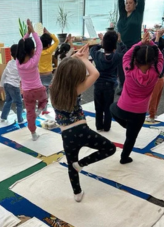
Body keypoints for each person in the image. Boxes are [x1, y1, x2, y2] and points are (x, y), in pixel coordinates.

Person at [50, 44, 116, 202]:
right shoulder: (76, 89)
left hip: (66, 134)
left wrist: (74, 57)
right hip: (82, 131)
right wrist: (84, 59)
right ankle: (82, 164)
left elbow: (62, 70)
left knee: (70, 163)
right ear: (75, 78)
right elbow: (95, 73)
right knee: (109, 148)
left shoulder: (53, 88)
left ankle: (77, 193)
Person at [110, 31, 163, 164]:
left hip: (122, 108)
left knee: (111, 107)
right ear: (153, 61)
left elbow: (127, 55)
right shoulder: (156, 72)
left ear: (135, 59)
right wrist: (151, 42)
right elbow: (161, 57)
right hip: (139, 113)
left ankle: (127, 125)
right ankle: (124, 158)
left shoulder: (129, 69)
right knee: (131, 137)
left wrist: (141, 43)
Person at [16, 19, 48, 141]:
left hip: (27, 92)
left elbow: (22, 44)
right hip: (39, 89)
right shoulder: (34, 61)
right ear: (31, 50)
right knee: (44, 100)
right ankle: (40, 110)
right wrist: (32, 31)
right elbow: (39, 44)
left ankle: (33, 134)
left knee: (29, 113)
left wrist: (27, 34)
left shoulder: (18, 63)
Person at [90, 31, 127, 131]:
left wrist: (102, 42)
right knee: (108, 107)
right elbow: (125, 51)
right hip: (110, 85)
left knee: (98, 107)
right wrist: (120, 42)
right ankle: (107, 127)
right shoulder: (117, 57)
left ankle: (99, 126)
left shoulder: (97, 55)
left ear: (104, 44)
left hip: (98, 84)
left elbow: (93, 49)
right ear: (114, 45)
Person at [116, 0, 145, 95]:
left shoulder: (138, 13)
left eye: (130, 3)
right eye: (126, 3)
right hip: (120, 45)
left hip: (133, 46)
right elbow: (120, 2)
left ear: (135, 5)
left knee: (131, 67)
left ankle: (132, 87)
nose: (128, 5)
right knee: (121, 67)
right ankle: (123, 86)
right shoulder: (123, 14)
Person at [0, 44, 25, 124]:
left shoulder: (9, 62)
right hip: (14, 86)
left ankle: (3, 117)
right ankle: (20, 120)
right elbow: (21, 76)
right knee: (19, 103)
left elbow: (4, 74)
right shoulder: (20, 64)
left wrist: (1, 85)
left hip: (6, 84)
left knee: (8, 101)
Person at [146, 30, 164, 122]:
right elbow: (156, 46)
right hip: (161, 79)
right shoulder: (163, 53)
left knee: (153, 99)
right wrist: (157, 36)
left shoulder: (158, 56)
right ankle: (153, 114)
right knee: (156, 99)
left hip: (157, 80)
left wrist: (158, 36)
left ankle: (151, 116)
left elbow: (155, 47)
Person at [39, 28, 59, 95]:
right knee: (46, 90)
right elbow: (57, 41)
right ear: (48, 45)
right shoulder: (49, 51)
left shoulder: (37, 52)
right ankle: (45, 102)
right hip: (48, 74)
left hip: (39, 75)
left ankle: (41, 103)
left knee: (41, 91)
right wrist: (48, 33)